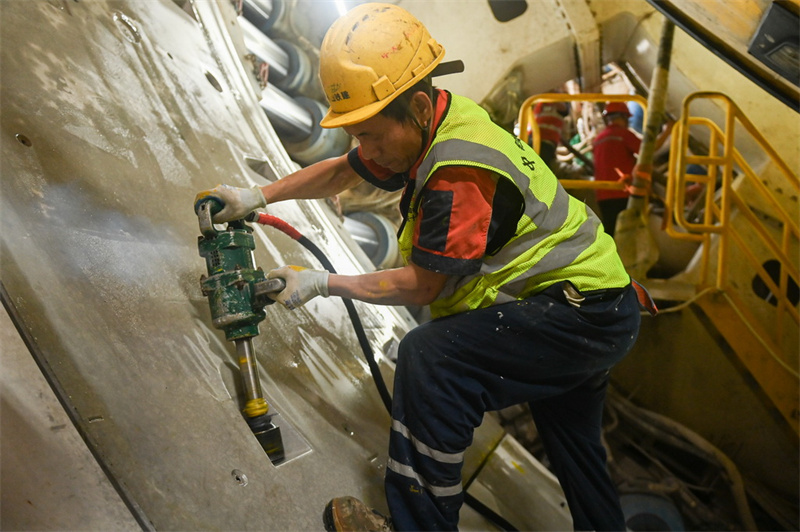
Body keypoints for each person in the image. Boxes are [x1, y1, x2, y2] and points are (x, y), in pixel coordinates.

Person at [195, 4, 652, 530]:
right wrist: (255, 195)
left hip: (576, 314)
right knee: (578, 455)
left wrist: (321, 282)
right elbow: (343, 171)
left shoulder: (459, 167)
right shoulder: (432, 121)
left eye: (370, 134)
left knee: (431, 360)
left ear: (414, 105)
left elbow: (421, 285)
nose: (365, 149)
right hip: (598, 307)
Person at [592, 101, 672, 237]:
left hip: (602, 195)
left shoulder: (598, 139)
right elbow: (649, 150)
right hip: (622, 192)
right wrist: (667, 131)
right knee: (628, 235)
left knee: (611, 234)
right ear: (623, 117)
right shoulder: (623, 134)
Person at [532, 99, 568, 171]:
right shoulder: (537, 102)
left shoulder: (556, 101)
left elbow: (564, 109)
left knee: (540, 167)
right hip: (532, 140)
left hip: (547, 142)